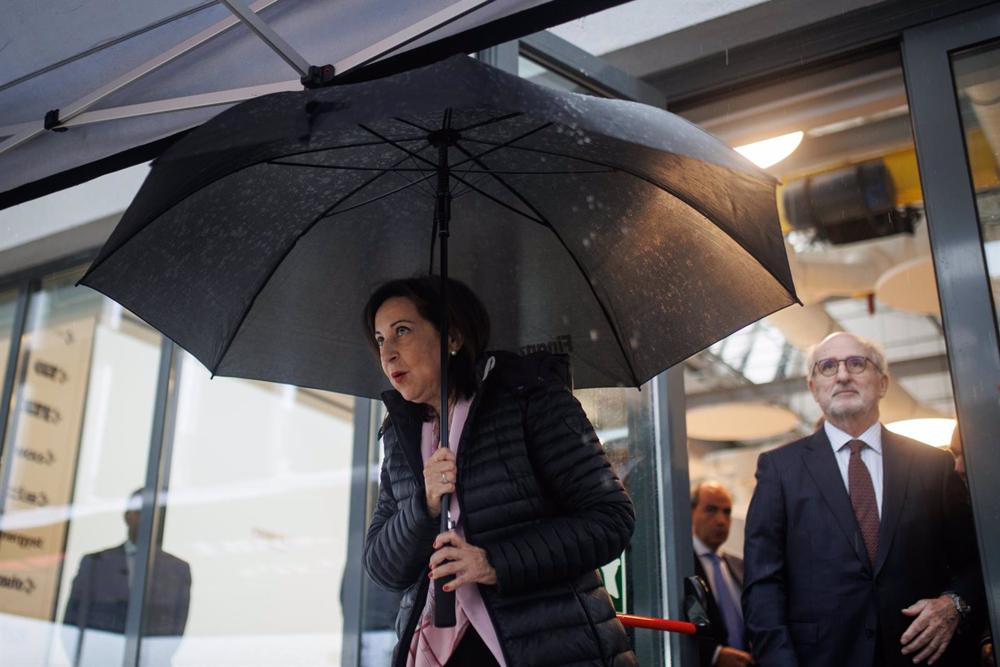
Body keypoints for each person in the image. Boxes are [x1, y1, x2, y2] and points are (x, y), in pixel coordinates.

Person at [362, 276, 636, 667]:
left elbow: (611, 519)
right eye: (379, 339)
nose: (387, 353)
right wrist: (424, 506)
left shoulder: (530, 399)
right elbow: (382, 566)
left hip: (551, 646)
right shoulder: (399, 436)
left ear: (453, 336)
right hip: (435, 650)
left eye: (401, 331)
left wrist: (494, 561)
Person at [743, 332, 984, 667]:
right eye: (827, 367)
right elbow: (763, 586)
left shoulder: (934, 466)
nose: (842, 375)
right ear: (813, 388)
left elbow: (976, 563)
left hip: (923, 658)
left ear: (883, 383)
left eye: (857, 363)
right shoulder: (779, 470)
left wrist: (954, 604)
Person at [63, 489, 191, 666]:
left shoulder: (178, 570)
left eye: (152, 512)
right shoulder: (95, 563)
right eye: (140, 512)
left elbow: (175, 631)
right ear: (126, 516)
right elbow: (71, 621)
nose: (146, 518)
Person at [691, 481, 754, 667]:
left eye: (726, 512)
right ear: (690, 512)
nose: (720, 520)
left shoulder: (740, 566)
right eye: (711, 510)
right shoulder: (680, 565)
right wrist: (715, 655)